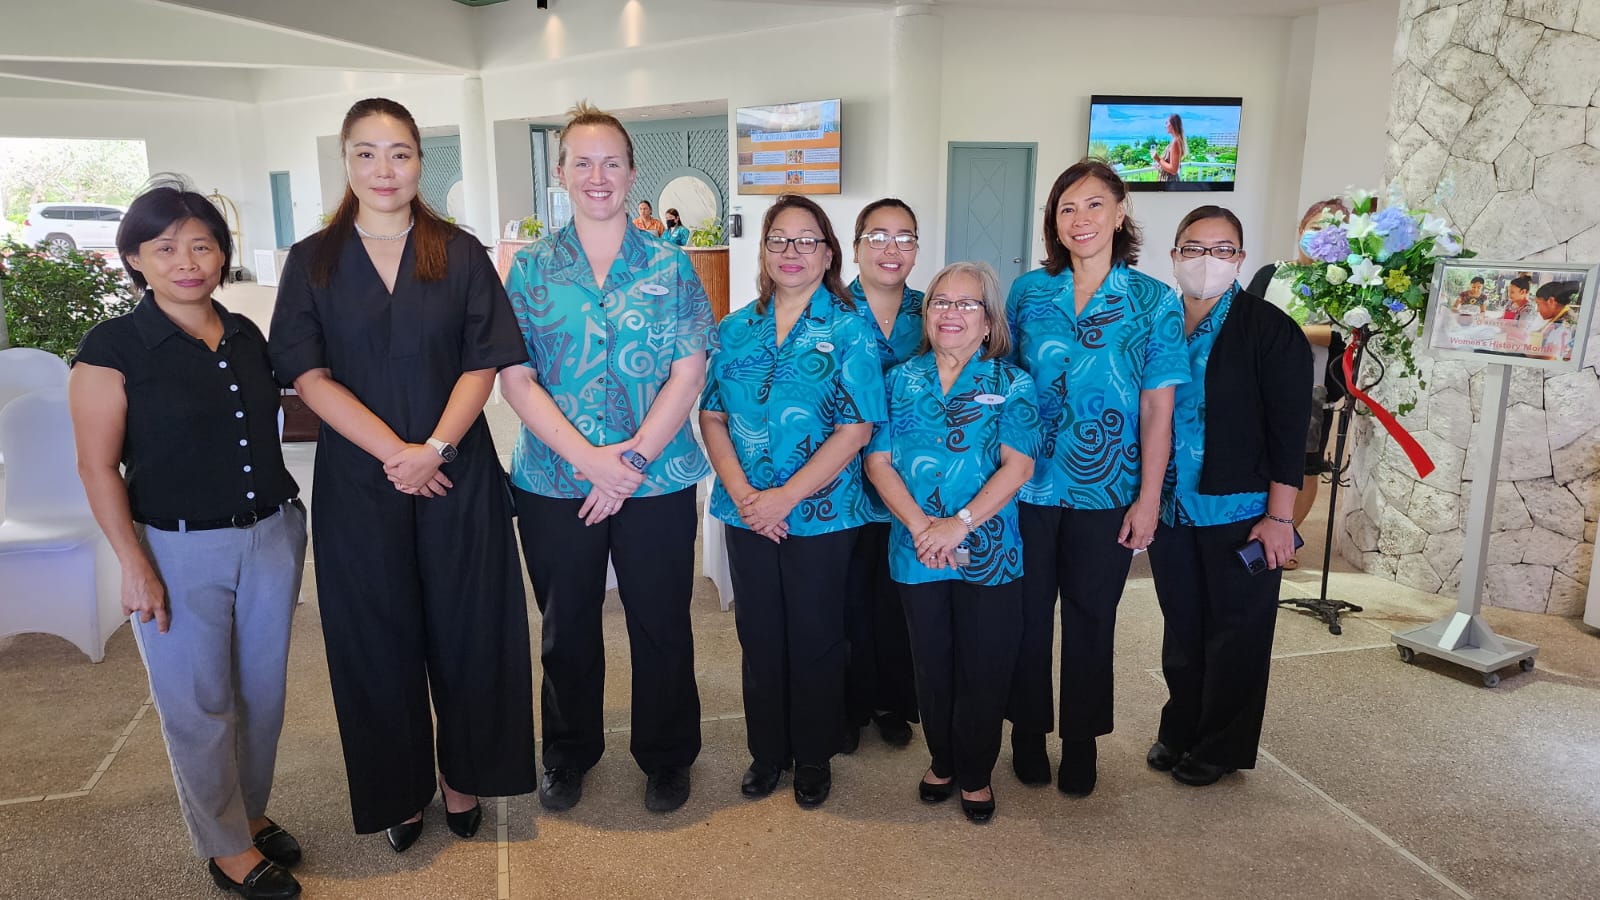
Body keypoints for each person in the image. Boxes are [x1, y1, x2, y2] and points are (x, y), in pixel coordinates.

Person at [269, 97, 535, 852]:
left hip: (458, 471)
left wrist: (435, 450)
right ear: (346, 162)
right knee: (373, 635)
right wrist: (395, 452)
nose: (383, 170)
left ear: (421, 160)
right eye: (366, 153)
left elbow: (484, 360)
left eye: (399, 153)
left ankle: (465, 774)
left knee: (470, 626)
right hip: (361, 478)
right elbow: (307, 375)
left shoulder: (458, 250)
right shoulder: (313, 260)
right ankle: (399, 789)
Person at [70, 177, 308, 900]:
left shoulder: (242, 333)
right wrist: (133, 563)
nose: (186, 261)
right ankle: (225, 845)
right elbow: (95, 463)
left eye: (201, 245)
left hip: (271, 535)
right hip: (176, 547)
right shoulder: (112, 346)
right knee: (198, 701)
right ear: (135, 259)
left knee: (261, 695)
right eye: (165, 247)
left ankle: (251, 813)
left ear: (222, 254)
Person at [501, 101, 714, 815]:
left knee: (661, 621)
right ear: (560, 173)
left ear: (632, 172)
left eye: (612, 162)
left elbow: (689, 371)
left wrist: (629, 463)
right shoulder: (529, 270)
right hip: (555, 480)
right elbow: (515, 378)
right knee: (566, 628)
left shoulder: (672, 265)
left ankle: (666, 755)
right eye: (582, 162)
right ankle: (567, 752)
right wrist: (591, 461)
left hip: (657, 480)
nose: (598, 175)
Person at [1004, 158, 1187, 796]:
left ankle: (1080, 740)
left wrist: (1147, 499)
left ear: (1119, 212)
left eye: (1093, 205)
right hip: (1025, 484)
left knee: (1090, 614)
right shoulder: (1027, 293)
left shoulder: (1152, 300)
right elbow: (1001, 383)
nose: (1080, 220)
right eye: (1066, 209)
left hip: (1108, 489)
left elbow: (1158, 408)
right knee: (1026, 613)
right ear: (1053, 222)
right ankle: (1026, 729)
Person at [700, 193, 886, 809]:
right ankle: (767, 752)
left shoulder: (849, 328)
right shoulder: (735, 327)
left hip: (822, 514)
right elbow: (713, 415)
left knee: (815, 636)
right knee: (759, 633)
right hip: (745, 509)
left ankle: (812, 754)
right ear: (764, 250)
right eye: (779, 239)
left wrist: (784, 498)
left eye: (807, 240)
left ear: (828, 253)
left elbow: (856, 429)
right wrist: (746, 495)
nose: (791, 251)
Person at [865, 261, 1039, 824]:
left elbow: (1018, 467)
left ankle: (977, 769)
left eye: (967, 304)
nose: (951, 313)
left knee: (984, 664)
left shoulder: (1011, 382)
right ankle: (942, 759)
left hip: (989, 549)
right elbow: (877, 460)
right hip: (916, 549)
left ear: (989, 322)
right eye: (941, 301)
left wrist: (959, 523)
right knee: (932, 663)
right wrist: (922, 527)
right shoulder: (899, 380)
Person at [1147, 205, 1311, 787]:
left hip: (1240, 512)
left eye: (1221, 250)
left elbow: (1291, 433)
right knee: (1183, 626)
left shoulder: (1269, 330)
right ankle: (1180, 727)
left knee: (1236, 633)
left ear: (1240, 258)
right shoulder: (1161, 322)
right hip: (1170, 507)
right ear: (1174, 256)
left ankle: (1222, 744)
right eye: (1193, 248)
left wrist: (1279, 518)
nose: (1206, 261)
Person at [842, 198, 924, 751]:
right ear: (855, 246)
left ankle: (894, 702)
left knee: (897, 597)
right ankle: (847, 704)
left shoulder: (935, 306)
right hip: (838, 479)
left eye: (905, 237)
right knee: (845, 596)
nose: (891, 249)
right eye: (878, 237)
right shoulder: (826, 305)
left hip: (914, 480)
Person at [1246, 197, 1350, 569]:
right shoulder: (1270, 274)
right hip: (1258, 383)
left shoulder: (1346, 287)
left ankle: (1287, 536)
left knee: (1303, 465)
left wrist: (1286, 330)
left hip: (1313, 388)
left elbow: (1340, 338)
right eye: (1316, 226)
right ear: (1301, 229)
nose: (1322, 236)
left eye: (1333, 230)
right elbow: (1245, 322)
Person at [1526, 281, 1577, 362]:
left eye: (1539, 304)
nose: (1538, 310)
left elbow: (1551, 358)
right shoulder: (1556, 318)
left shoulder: (1563, 325)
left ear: (1551, 301)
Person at [1151, 114, 1186, 186]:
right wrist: (1161, 165)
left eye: (1167, 123)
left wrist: (1158, 159)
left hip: (1170, 182)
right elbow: (1171, 163)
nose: (1165, 126)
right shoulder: (1177, 140)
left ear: (1172, 124)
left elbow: (1173, 170)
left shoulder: (1175, 142)